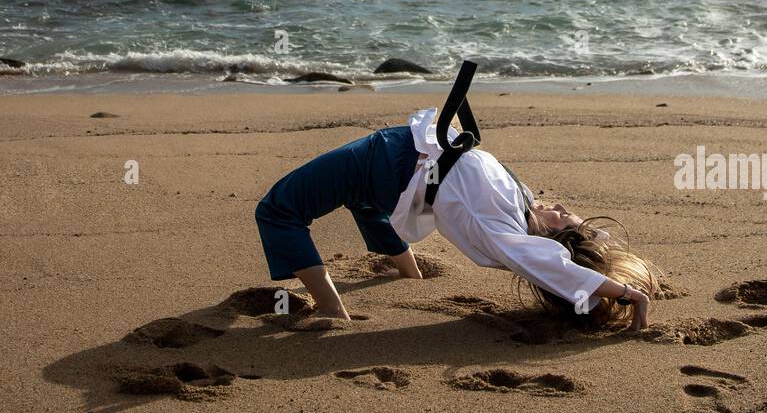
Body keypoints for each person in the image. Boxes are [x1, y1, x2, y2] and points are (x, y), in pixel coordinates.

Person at [254, 106, 657, 328]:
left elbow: (553, 267)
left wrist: (629, 294)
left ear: (552, 237)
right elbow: (568, 255)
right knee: (365, 204)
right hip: (395, 174)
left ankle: (331, 313)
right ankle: (410, 273)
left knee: (278, 210)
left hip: (385, 160)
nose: (562, 208)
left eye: (565, 218)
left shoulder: (506, 232)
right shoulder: (521, 203)